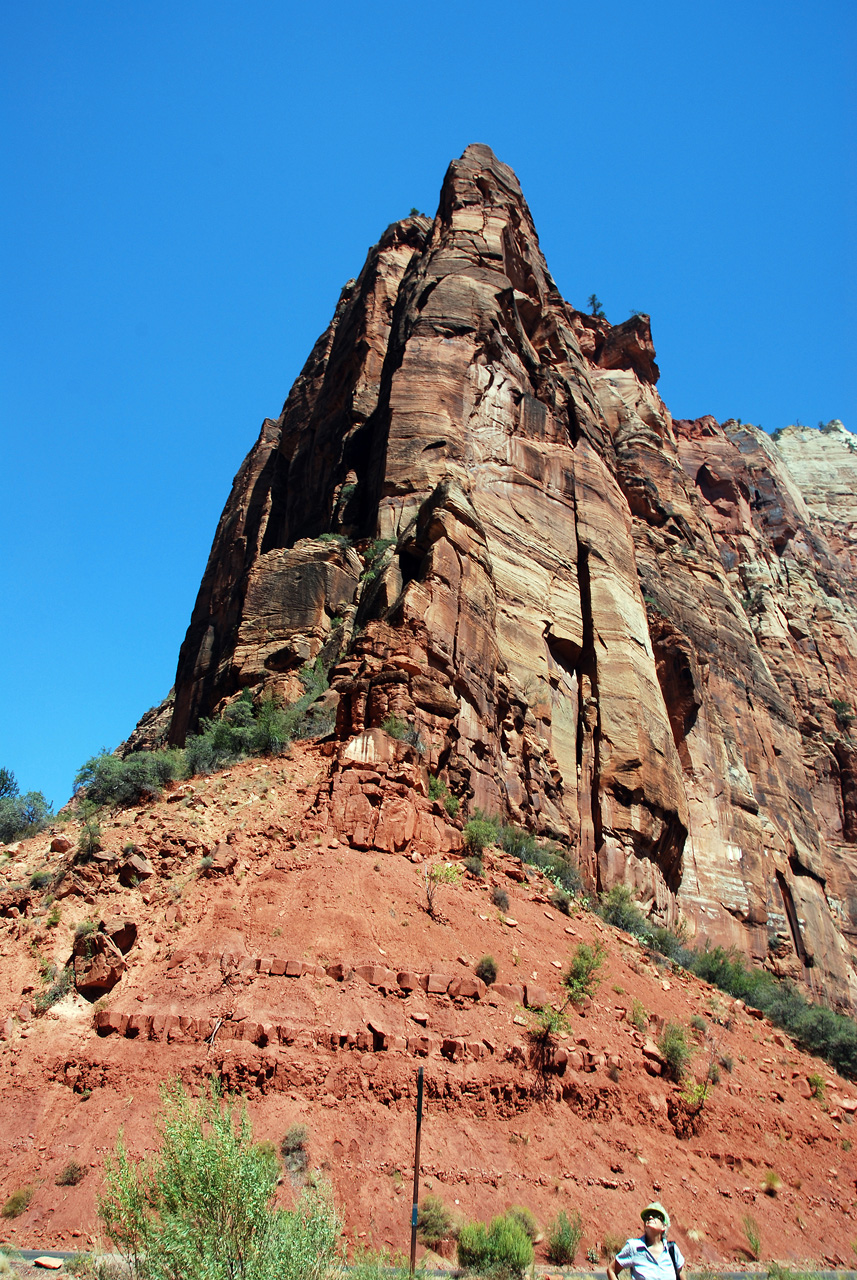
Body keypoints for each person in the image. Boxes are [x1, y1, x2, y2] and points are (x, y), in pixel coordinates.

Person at [607, 1202, 684, 1280]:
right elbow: (611, 1270)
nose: (650, 1217)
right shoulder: (634, 1247)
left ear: (663, 1226)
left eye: (655, 1215)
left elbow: (681, 1274)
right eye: (647, 1217)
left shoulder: (672, 1250)